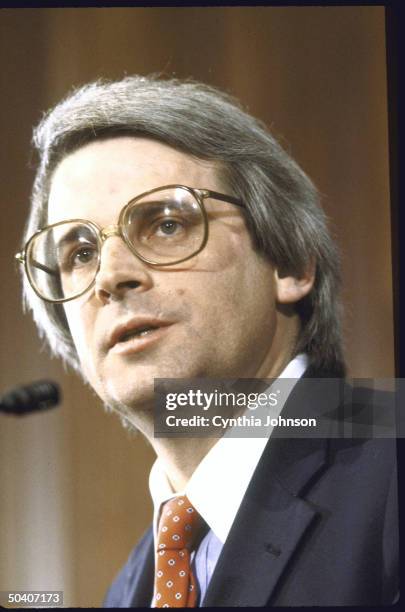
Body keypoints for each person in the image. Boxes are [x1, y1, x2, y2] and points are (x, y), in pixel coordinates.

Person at [16, 75, 398, 606]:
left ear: (289, 261)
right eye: (78, 253)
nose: (110, 276)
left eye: (166, 224)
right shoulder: (128, 590)